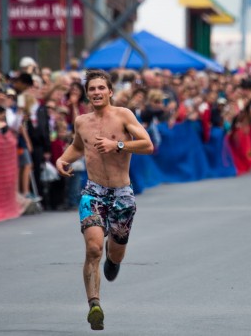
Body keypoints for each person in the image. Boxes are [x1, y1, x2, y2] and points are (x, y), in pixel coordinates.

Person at [55, 69, 154, 331]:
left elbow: (147, 144)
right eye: (92, 89)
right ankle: (94, 305)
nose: (97, 92)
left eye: (101, 88)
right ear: (87, 94)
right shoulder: (81, 121)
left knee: (116, 252)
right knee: (93, 249)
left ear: (110, 91)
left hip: (122, 193)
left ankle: (114, 259)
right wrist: (63, 159)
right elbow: (79, 146)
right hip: (93, 192)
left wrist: (118, 146)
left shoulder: (123, 115)